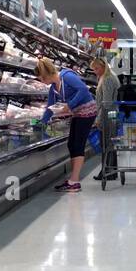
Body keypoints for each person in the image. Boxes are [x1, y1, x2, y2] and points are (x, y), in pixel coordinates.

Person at [36, 58, 98, 193]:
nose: (42, 82)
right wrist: (41, 123)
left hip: (88, 111)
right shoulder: (53, 88)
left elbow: (83, 90)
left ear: (45, 75)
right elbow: (50, 108)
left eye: (41, 79)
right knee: (72, 144)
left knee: (77, 144)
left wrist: (69, 105)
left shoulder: (67, 76)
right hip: (78, 114)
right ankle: (73, 179)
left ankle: (74, 181)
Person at [90, 57, 120, 182]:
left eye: (97, 68)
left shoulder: (107, 79)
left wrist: (98, 118)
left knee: (106, 143)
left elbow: (106, 102)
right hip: (111, 113)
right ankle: (110, 171)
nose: (95, 71)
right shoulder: (107, 77)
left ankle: (106, 171)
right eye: (94, 69)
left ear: (103, 67)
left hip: (108, 114)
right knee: (110, 143)